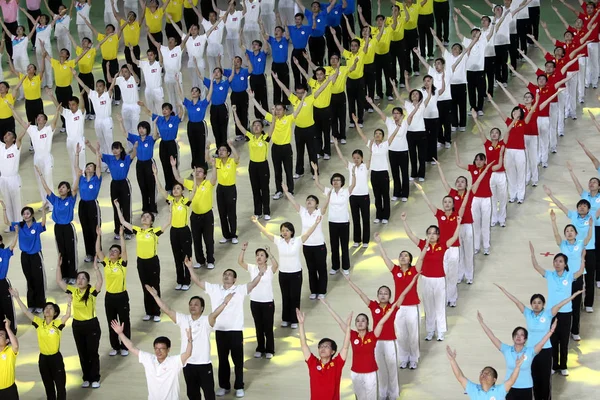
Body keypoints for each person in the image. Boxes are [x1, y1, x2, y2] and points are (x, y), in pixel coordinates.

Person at [186, 257, 264, 398]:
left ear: (234, 279)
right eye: (225, 274)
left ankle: (239, 386)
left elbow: (252, 285)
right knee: (223, 360)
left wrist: (260, 274)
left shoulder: (239, 290)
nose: (226, 276)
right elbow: (197, 281)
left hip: (235, 331)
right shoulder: (214, 289)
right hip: (220, 330)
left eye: (229, 275)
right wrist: (190, 268)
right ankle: (224, 386)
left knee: (238, 360)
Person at [496, 284, 584, 400]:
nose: (536, 305)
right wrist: (504, 290)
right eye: (534, 302)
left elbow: (561, 304)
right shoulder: (527, 313)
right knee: (534, 377)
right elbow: (516, 301)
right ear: (531, 304)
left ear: (543, 304)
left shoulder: (548, 314)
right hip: (530, 352)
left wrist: (573, 296)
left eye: (539, 303)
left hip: (545, 350)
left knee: (545, 378)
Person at [145, 284, 233, 400]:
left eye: (196, 305)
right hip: (188, 364)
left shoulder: (206, 321)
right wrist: (156, 296)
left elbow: (215, 313)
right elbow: (167, 310)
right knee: (192, 394)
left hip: (204, 364)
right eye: (191, 304)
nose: (193, 306)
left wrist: (225, 303)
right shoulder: (183, 319)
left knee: (209, 394)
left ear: (202, 308)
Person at [340, 271, 419, 399]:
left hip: (389, 342)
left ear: (389, 296)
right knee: (381, 368)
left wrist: (414, 280)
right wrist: (350, 282)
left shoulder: (393, 306)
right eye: (381, 293)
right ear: (377, 295)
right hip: (375, 342)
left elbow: (404, 293)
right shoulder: (373, 306)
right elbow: (361, 294)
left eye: (386, 293)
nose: (383, 295)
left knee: (392, 367)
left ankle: (393, 393)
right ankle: (383, 393)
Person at [251, 214, 321, 328]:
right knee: (285, 296)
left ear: (291, 232)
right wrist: (256, 222)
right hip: (283, 273)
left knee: (295, 296)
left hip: (296, 273)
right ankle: (286, 318)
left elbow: (308, 233)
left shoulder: (297, 240)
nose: (284, 232)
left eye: (287, 230)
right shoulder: (279, 241)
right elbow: (266, 232)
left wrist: (316, 223)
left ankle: (295, 320)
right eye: (282, 230)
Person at [401, 210, 461, 341]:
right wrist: (404, 221)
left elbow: (454, 238)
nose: (432, 235)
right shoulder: (423, 244)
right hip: (426, 279)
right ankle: (430, 330)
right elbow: (410, 235)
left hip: (439, 279)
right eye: (429, 233)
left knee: (439, 306)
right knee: (428, 306)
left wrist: (458, 224)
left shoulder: (443, 245)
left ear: (438, 235)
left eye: (434, 233)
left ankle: (441, 331)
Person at [529, 242, 585, 376]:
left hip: (566, 313)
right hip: (551, 313)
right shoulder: (549, 275)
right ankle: (554, 365)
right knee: (553, 339)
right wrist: (532, 254)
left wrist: (582, 258)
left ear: (565, 264)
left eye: (560, 261)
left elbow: (580, 271)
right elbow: (537, 267)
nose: (557, 263)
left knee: (564, 339)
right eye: (556, 261)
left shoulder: (569, 276)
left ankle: (563, 365)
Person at [477, 312, 557, 400]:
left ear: (525, 339)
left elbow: (542, 342)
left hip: (526, 388)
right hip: (509, 387)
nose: (518, 337)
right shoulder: (506, 350)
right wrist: (481, 323)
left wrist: (551, 331)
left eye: (522, 335)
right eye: (516, 335)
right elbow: (492, 337)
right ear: (513, 337)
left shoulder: (530, 351)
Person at [9, 287, 71, 400]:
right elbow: (26, 311)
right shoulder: (38, 322)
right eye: (46, 308)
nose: (47, 310)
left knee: (60, 386)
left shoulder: (58, 323)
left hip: (56, 359)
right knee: (48, 386)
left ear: (55, 313)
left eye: (51, 308)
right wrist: (17, 297)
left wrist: (69, 303)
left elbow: (67, 315)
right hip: (43, 359)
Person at [374, 233, 423, 368]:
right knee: (401, 334)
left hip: (413, 306)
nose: (402, 257)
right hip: (398, 307)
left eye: (405, 255)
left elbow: (422, 258)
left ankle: (414, 358)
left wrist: (425, 247)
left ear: (410, 260)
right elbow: (385, 259)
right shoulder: (395, 270)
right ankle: (403, 357)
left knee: (413, 334)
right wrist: (379, 243)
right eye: (401, 255)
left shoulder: (414, 270)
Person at [116, 199, 170, 322]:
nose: (145, 218)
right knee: (145, 286)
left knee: (154, 286)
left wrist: (170, 209)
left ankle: (156, 311)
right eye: (143, 216)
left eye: (147, 217)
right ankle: (148, 311)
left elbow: (169, 222)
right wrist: (118, 207)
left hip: (152, 262)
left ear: (151, 221)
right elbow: (123, 221)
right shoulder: (137, 230)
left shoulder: (154, 231)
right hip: (141, 262)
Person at [110, 321, 193, 400]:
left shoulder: (174, 362)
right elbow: (132, 347)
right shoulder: (148, 359)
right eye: (156, 348)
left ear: (168, 349)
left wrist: (189, 340)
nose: (158, 351)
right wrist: (120, 333)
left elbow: (187, 354)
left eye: (161, 349)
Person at [56, 257, 103, 389]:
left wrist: (96, 268)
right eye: (78, 278)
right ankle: (86, 377)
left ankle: (95, 378)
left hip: (91, 325)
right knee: (82, 352)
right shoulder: (72, 291)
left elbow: (100, 282)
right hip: (77, 326)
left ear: (88, 281)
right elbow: (59, 281)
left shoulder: (92, 292)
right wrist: (59, 266)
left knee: (92, 352)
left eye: (83, 278)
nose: (80, 280)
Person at [250, 92, 306, 200]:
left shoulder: (289, 118)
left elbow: (298, 110)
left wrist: (302, 99)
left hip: (286, 147)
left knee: (288, 170)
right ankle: (279, 190)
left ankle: (290, 190)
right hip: (275, 148)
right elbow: (261, 110)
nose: (278, 111)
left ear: (284, 110)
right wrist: (253, 98)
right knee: (277, 170)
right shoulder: (272, 118)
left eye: (280, 109)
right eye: (276, 109)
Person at [282, 183, 330, 299]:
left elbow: (325, 206)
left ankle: (322, 291)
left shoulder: (319, 213)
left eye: (312, 200)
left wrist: (329, 196)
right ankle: (313, 291)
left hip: (319, 245)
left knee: (321, 268)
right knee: (311, 269)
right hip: (307, 246)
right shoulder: (302, 211)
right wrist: (286, 192)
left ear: (316, 204)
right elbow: (293, 202)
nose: (309, 201)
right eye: (308, 200)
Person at [154, 163, 197, 291]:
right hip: (174, 231)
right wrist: (156, 175)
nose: (175, 191)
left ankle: (187, 280)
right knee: (177, 256)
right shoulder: (171, 200)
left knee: (186, 257)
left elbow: (194, 190)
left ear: (182, 191)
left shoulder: (185, 201)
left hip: (184, 231)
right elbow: (161, 189)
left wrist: (194, 177)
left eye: (178, 189)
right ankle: (180, 280)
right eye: (174, 189)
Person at [454, 148, 504, 255]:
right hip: (474, 199)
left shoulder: (488, 168)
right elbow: (458, 163)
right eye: (477, 159)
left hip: (486, 199)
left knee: (485, 224)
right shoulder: (472, 168)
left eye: (481, 160)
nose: (478, 162)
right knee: (476, 223)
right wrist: (456, 149)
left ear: (484, 161)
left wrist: (500, 154)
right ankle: (476, 246)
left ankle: (486, 246)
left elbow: (499, 166)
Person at [172, 154, 217, 270]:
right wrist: (173, 166)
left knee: (208, 239)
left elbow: (214, 179)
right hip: (195, 216)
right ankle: (200, 260)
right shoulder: (190, 184)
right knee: (196, 239)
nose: (197, 173)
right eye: (196, 171)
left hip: (207, 216)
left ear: (205, 175)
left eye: (200, 171)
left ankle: (210, 260)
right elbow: (178, 178)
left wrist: (214, 166)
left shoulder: (208, 184)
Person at [354, 115, 401, 223]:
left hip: (383, 173)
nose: (377, 135)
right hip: (374, 173)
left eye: (380, 134)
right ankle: (378, 215)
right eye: (376, 134)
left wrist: (398, 127)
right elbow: (362, 135)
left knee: (385, 195)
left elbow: (393, 135)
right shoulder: (371, 145)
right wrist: (356, 123)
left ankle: (386, 216)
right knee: (377, 195)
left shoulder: (385, 144)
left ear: (383, 137)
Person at [37, 166, 79, 284]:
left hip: (68, 228)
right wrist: (41, 175)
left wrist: (78, 175)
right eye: (60, 187)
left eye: (63, 187)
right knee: (62, 251)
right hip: (58, 228)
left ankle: (73, 275)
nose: (60, 189)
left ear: (68, 189)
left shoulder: (71, 199)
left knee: (71, 251)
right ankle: (64, 274)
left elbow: (75, 188)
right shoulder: (55, 200)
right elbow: (46, 188)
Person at [297, 308, 351, 400]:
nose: (323, 348)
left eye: (326, 346)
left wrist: (348, 327)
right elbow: (304, 345)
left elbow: (345, 347)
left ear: (333, 351)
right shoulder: (313, 363)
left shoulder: (337, 363)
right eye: (321, 346)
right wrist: (301, 324)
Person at [88, 140, 137, 239]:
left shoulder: (126, 159)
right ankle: (118, 231)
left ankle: (128, 231)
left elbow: (134, 154)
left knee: (126, 208)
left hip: (124, 184)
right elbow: (98, 154)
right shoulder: (110, 159)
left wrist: (135, 147)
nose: (115, 151)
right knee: (116, 208)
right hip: (114, 185)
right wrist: (90, 146)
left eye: (117, 148)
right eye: (113, 149)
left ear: (121, 149)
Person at [238, 242, 278, 358]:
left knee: (268, 327)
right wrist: (243, 250)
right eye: (257, 255)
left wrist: (269, 252)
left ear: (266, 259)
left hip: (267, 302)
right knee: (258, 326)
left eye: (261, 255)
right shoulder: (252, 268)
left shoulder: (270, 269)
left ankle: (270, 349)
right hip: (255, 301)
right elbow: (240, 262)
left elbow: (276, 265)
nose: (259, 257)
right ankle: (260, 347)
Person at [96, 225, 130, 356]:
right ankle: (115, 346)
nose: (112, 253)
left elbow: (125, 250)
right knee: (112, 322)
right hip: (109, 297)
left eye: (115, 251)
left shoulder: (123, 263)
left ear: (120, 255)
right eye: (111, 251)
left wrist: (121, 235)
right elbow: (98, 250)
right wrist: (98, 235)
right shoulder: (106, 263)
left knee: (123, 321)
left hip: (122, 296)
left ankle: (125, 346)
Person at [232, 106, 272, 219]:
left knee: (264, 188)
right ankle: (258, 211)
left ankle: (267, 211)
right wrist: (234, 112)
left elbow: (273, 127)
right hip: (253, 166)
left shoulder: (265, 138)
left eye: (258, 125)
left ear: (262, 127)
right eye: (254, 126)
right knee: (255, 189)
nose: (256, 127)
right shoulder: (250, 137)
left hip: (263, 165)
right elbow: (239, 125)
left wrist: (273, 116)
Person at [6, 206, 46, 313]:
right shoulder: (19, 226)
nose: (25, 215)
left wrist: (43, 212)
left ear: (32, 215)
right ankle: (31, 304)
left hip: (36, 256)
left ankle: (40, 304)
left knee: (38, 279)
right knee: (29, 279)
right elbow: (7, 223)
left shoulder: (36, 226)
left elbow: (43, 224)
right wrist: (5, 209)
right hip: (25, 256)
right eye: (24, 214)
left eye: (28, 213)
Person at [75, 73, 118, 172]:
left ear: (104, 87)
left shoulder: (107, 95)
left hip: (107, 121)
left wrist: (114, 78)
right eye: (97, 86)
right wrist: (75, 76)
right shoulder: (93, 95)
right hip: (98, 121)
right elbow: (84, 86)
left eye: (100, 86)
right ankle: (103, 164)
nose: (98, 88)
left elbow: (111, 88)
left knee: (109, 143)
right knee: (101, 143)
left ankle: (111, 164)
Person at [446, 345, 524, 400]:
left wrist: (517, 367)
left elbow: (511, 380)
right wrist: (452, 360)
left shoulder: (500, 390)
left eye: (488, 373)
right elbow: (460, 377)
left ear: (494, 379)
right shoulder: (473, 389)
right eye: (483, 372)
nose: (484, 374)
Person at [313, 168, 351, 275]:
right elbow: (317, 183)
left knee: (344, 246)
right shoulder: (329, 191)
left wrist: (353, 174)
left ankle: (346, 266)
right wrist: (316, 170)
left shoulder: (346, 192)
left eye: (338, 180)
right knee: (334, 246)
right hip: (332, 222)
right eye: (334, 180)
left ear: (342, 182)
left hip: (344, 222)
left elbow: (354, 184)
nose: (336, 181)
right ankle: (335, 266)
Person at [473, 112, 507, 227]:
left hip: (501, 173)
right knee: (492, 197)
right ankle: (494, 218)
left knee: (502, 197)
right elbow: (481, 132)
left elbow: (509, 131)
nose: (494, 134)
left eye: (496, 133)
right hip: (490, 174)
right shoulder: (487, 144)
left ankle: (502, 219)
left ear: (499, 135)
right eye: (492, 133)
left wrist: (514, 120)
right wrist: (475, 119)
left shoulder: (503, 144)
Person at [125, 118, 158, 214]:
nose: (141, 130)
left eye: (143, 128)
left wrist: (154, 124)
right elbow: (125, 134)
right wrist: (120, 122)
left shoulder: (150, 139)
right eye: (139, 128)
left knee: (151, 186)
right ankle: (145, 208)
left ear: (147, 130)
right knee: (142, 186)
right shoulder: (136, 139)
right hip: (139, 164)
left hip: (149, 163)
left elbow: (155, 135)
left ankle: (153, 207)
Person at [75, 144, 102, 263]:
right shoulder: (81, 178)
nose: (89, 168)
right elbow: (76, 167)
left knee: (94, 229)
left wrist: (97, 152)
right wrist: (77, 153)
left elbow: (99, 165)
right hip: (83, 205)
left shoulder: (97, 178)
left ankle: (98, 252)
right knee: (86, 229)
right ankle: (89, 253)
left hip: (92, 205)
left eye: (91, 166)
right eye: (87, 166)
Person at [182, 82, 213, 172]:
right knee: (193, 145)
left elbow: (210, 93)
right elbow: (180, 95)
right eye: (192, 91)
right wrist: (177, 82)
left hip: (200, 125)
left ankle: (202, 164)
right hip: (191, 126)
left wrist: (211, 82)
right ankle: (195, 164)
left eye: (196, 91)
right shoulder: (188, 103)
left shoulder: (202, 103)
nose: (194, 92)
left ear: (199, 94)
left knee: (201, 145)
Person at [403, 78, 430, 181]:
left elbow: (429, 96)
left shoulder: (422, 105)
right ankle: (414, 174)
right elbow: (398, 96)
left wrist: (430, 85)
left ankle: (421, 174)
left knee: (421, 155)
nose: (414, 95)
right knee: (412, 155)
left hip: (421, 132)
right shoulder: (408, 105)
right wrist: (405, 79)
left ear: (420, 97)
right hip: (410, 133)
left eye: (417, 94)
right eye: (413, 94)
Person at [0, 229, 17, 333]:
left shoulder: (5, 252)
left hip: (3, 283)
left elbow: (12, 245)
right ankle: (2, 332)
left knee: (8, 308)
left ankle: (12, 331)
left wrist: (16, 233)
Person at [0, 318, 19, 399]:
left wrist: (7, 327)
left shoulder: (9, 351)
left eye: (1, 335)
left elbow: (16, 345)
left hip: (9, 390)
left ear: (7, 340)